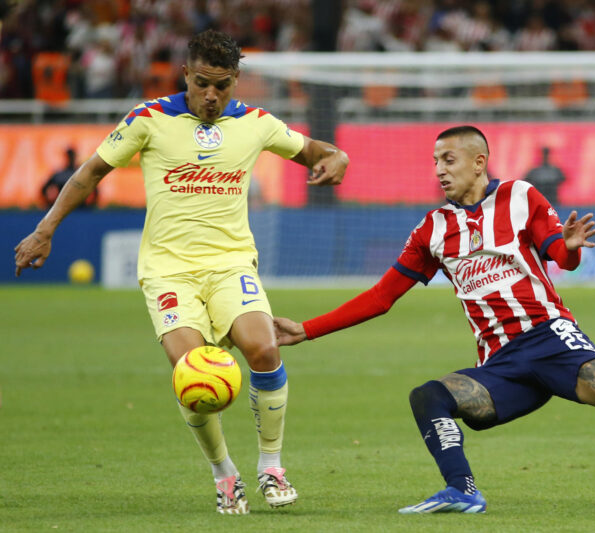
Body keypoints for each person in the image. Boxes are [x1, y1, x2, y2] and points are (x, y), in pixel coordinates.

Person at [273, 125, 595, 514]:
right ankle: (463, 491)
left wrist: (568, 250)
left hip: (551, 339)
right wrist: (309, 328)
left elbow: (557, 253)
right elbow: (383, 296)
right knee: (428, 396)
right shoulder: (432, 229)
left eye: (448, 159)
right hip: (501, 365)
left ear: (479, 162)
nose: (439, 169)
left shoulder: (520, 197)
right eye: (435, 161)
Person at [15, 29, 349, 515]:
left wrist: (338, 156)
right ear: (185, 76)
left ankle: (271, 467)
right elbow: (90, 172)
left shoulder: (256, 122)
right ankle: (224, 474)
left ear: (235, 81)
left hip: (231, 263)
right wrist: (45, 229)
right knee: (192, 374)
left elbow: (317, 151)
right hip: (169, 272)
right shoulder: (150, 119)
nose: (211, 95)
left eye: (222, 86)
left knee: (264, 347)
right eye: (201, 83)